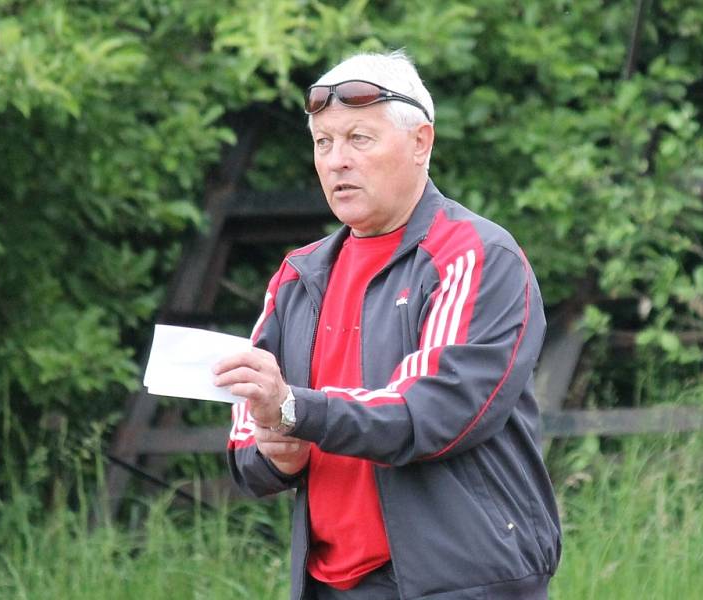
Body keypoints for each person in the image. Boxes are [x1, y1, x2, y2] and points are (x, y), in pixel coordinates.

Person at [214, 50, 561, 600]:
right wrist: (274, 451)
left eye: (359, 138)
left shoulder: (474, 254)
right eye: (323, 143)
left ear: (421, 142)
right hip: (328, 584)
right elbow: (246, 436)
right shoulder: (296, 276)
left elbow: (430, 412)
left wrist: (292, 410)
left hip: (463, 584)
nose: (336, 161)